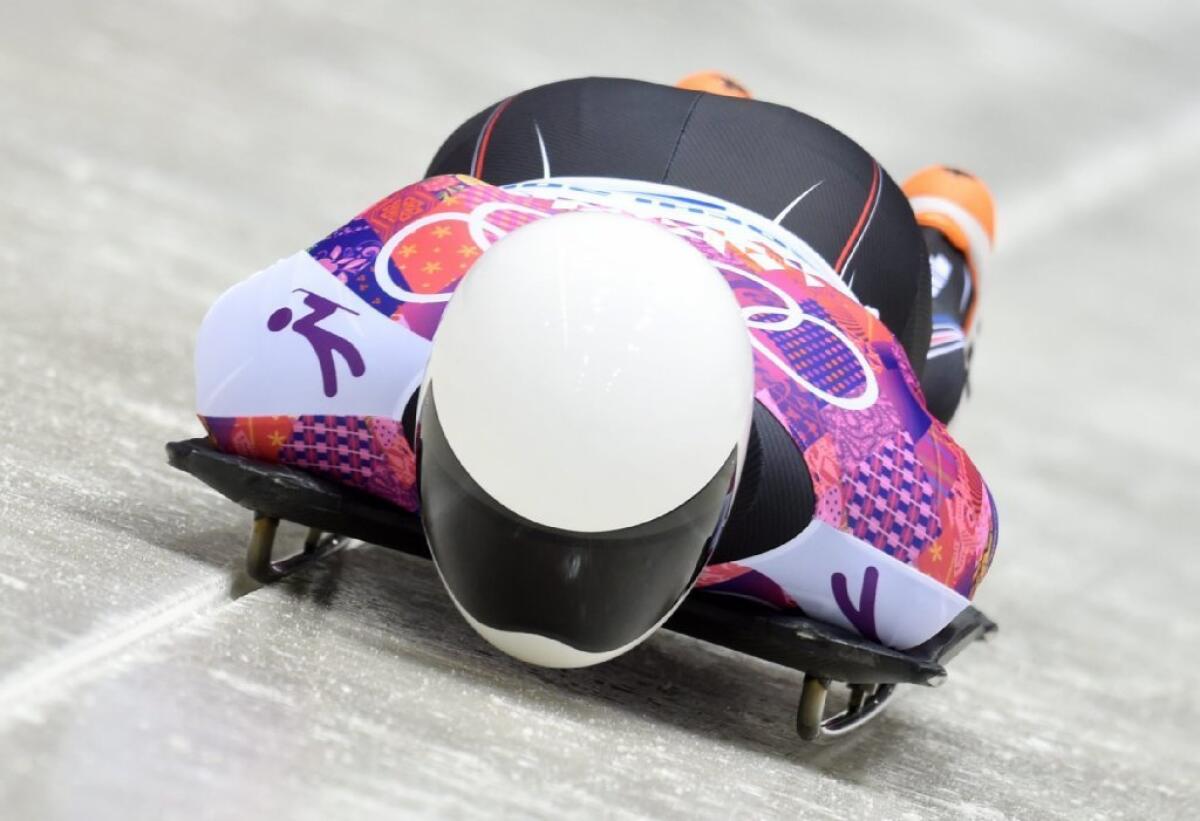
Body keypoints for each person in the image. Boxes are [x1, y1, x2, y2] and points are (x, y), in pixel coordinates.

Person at [193, 76, 999, 667]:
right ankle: (725, 106)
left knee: (928, 375)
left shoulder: (873, 487)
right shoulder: (899, 551)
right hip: (598, 166)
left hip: (791, 217)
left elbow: (417, 212)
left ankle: (938, 253)